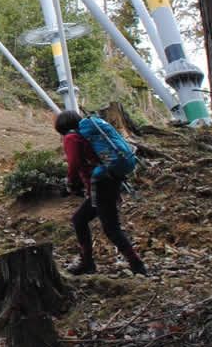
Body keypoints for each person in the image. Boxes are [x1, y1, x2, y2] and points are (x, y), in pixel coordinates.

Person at [55, 110, 147, 276]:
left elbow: (74, 164)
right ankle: (87, 262)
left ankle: (137, 265)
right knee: (79, 220)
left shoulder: (72, 138)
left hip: (100, 185)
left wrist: (70, 183)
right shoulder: (86, 135)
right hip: (109, 180)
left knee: (111, 228)